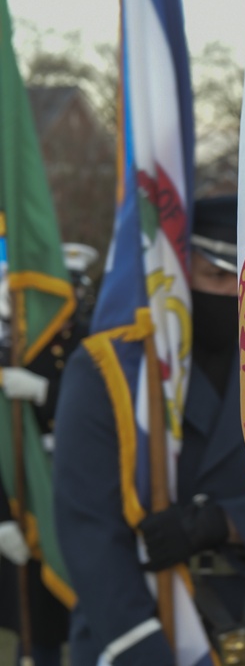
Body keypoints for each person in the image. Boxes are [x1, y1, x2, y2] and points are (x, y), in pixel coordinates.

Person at [53, 197, 245, 666]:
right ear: (179, 276)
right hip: (140, 630)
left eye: (243, 279)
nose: (231, 295)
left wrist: (228, 522)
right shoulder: (110, 370)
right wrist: (140, 646)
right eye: (216, 277)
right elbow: (89, 529)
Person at [0, 242, 97, 666]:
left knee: (91, 610)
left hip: (84, 490)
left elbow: (106, 408)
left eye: (72, 290)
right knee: (37, 623)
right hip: (29, 495)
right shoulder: (12, 352)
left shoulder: (94, 343)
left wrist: (45, 393)